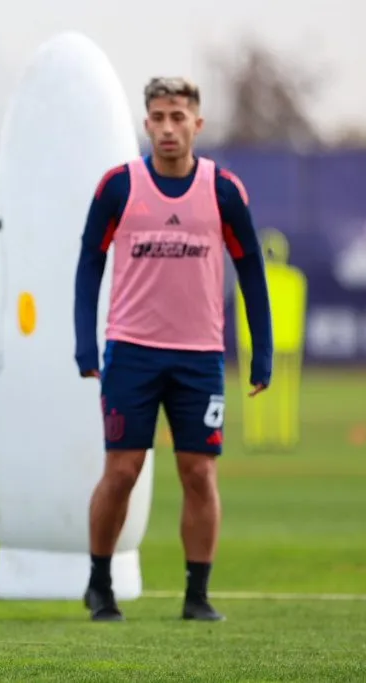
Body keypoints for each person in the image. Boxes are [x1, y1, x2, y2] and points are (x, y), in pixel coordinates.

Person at [73, 76, 273, 622]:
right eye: (158, 117)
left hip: (199, 356)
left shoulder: (223, 190)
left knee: (199, 472)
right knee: (122, 470)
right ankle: (99, 585)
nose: (167, 128)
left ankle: (197, 596)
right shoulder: (119, 186)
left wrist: (261, 351)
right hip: (131, 352)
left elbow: (251, 269)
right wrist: (85, 344)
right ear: (147, 123)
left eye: (178, 117)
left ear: (197, 124)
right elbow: (89, 263)